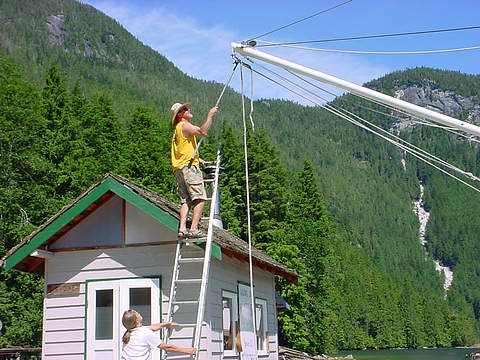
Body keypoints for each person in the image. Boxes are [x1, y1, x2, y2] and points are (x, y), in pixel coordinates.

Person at [170, 102, 218, 238]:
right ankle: (194, 229)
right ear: (180, 115)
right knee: (200, 198)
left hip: (179, 167)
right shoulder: (185, 125)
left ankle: (182, 229)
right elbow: (202, 132)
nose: (188, 109)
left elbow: (183, 150)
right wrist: (210, 116)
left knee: (186, 200)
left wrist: (198, 158)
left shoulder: (178, 129)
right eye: (184, 109)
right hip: (189, 167)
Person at [121, 309, 196, 359]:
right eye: (138, 314)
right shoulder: (145, 333)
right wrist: (187, 351)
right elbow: (167, 347)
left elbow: (152, 327)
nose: (139, 313)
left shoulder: (130, 331)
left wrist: (167, 323)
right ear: (137, 321)